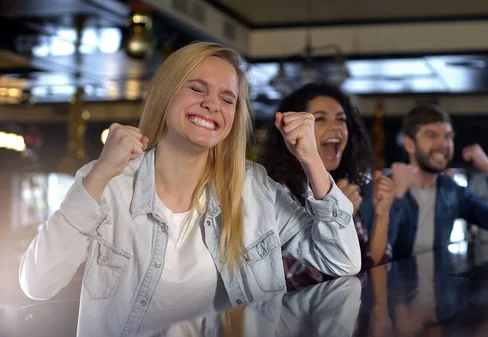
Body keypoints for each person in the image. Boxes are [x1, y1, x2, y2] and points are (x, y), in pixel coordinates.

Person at [18, 42, 360, 337]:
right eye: (197, 88)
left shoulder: (253, 187)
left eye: (227, 98)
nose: (213, 104)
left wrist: (311, 159)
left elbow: (342, 260)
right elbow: (36, 283)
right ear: (166, 94)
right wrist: (101, 173)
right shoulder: (108, 182)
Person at [260, 83, 397, 290]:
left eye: (341, 119)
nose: (337, 127)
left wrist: (382, 215)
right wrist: (336, 216)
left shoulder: (341, 187)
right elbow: (298, 282)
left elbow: (370, 267)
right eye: (320, 119)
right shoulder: (278, 193)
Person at [389, 104, 488, 258]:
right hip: (390, 282)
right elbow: (373, 254)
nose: (443, 144)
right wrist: (397, 198)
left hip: (437, 281)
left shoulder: (452, 191)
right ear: (410, 144)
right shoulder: (383, 188)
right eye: (431, 135)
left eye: (448, 136)